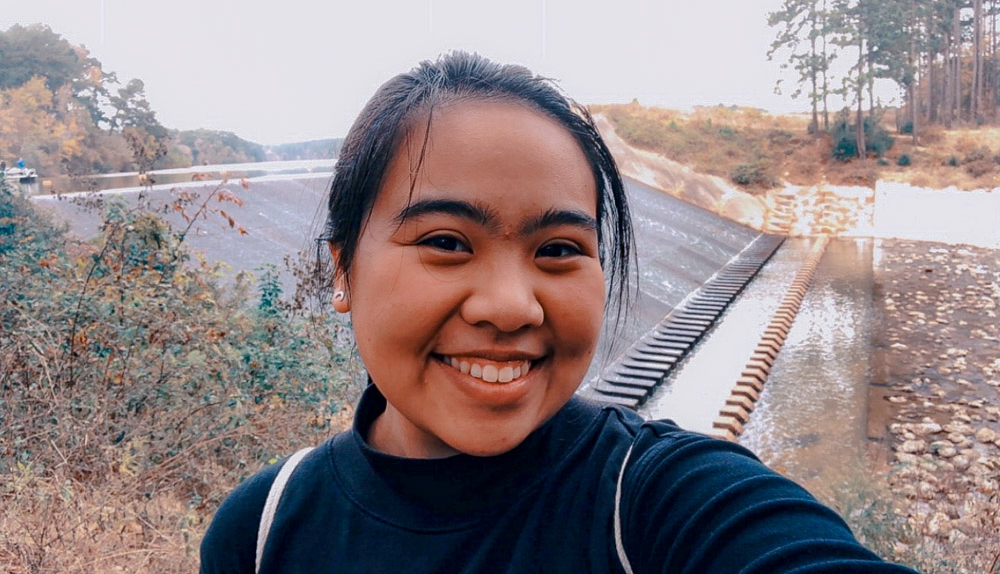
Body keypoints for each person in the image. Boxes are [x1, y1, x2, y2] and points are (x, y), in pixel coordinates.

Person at [201, 52, 916, 573]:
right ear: (342, 269)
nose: (511, 305)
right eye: (447, 241)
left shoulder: (654, 503)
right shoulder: (263, 530)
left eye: (558, 249)